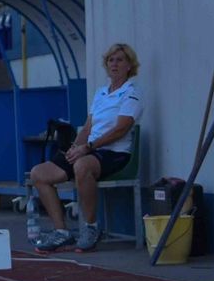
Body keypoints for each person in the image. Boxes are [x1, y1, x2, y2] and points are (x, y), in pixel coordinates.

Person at [30, 43, 142, 253]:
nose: (114, 64)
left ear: (129, 66)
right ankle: (62, 233)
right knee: (39, 173)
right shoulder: (100, 93)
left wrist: (87, 148)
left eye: (120, 60)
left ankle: (90, 228)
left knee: (82, 165)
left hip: (115, 154)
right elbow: (88, 127)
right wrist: (75, 147)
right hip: (90, 150)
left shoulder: (132, 92)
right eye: (111, 60)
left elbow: (121, 129)